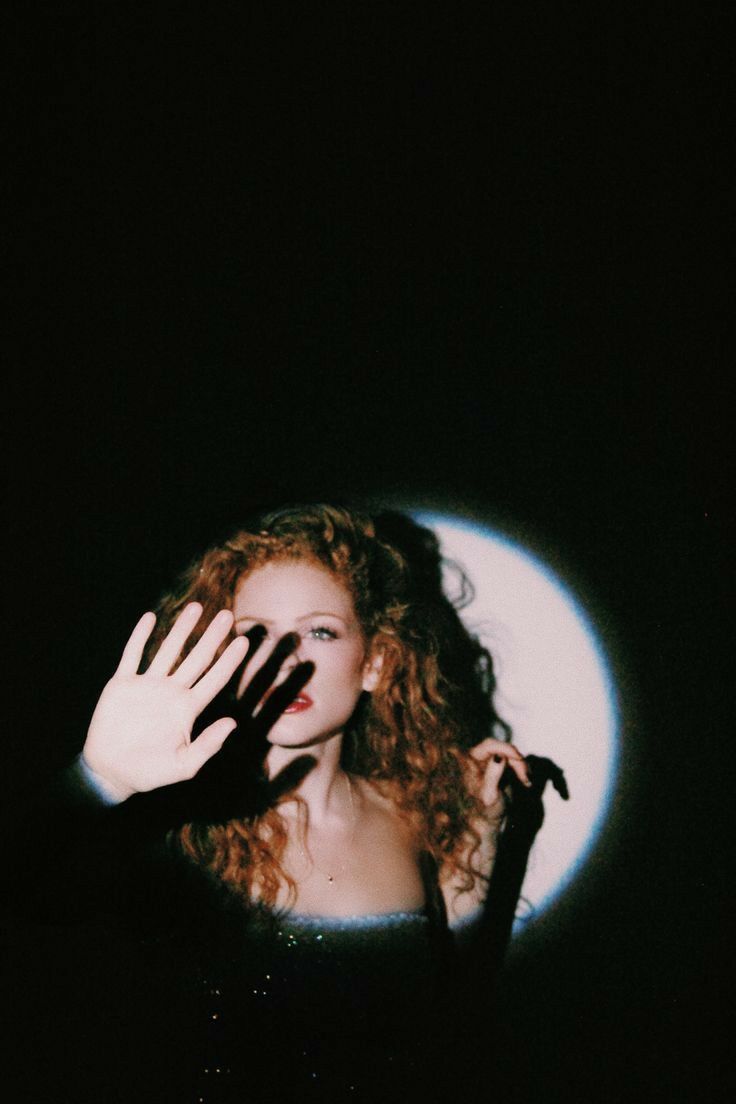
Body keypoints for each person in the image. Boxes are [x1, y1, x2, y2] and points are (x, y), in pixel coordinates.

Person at [15, 504, 532, 1102]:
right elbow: (24, 895)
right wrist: (96, 780)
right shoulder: (175, 823)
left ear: (376, 663)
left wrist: (483, 833)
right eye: (255, 634)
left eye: (320, 631)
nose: (285, 659)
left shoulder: (412, 815)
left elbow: (448, 1018)